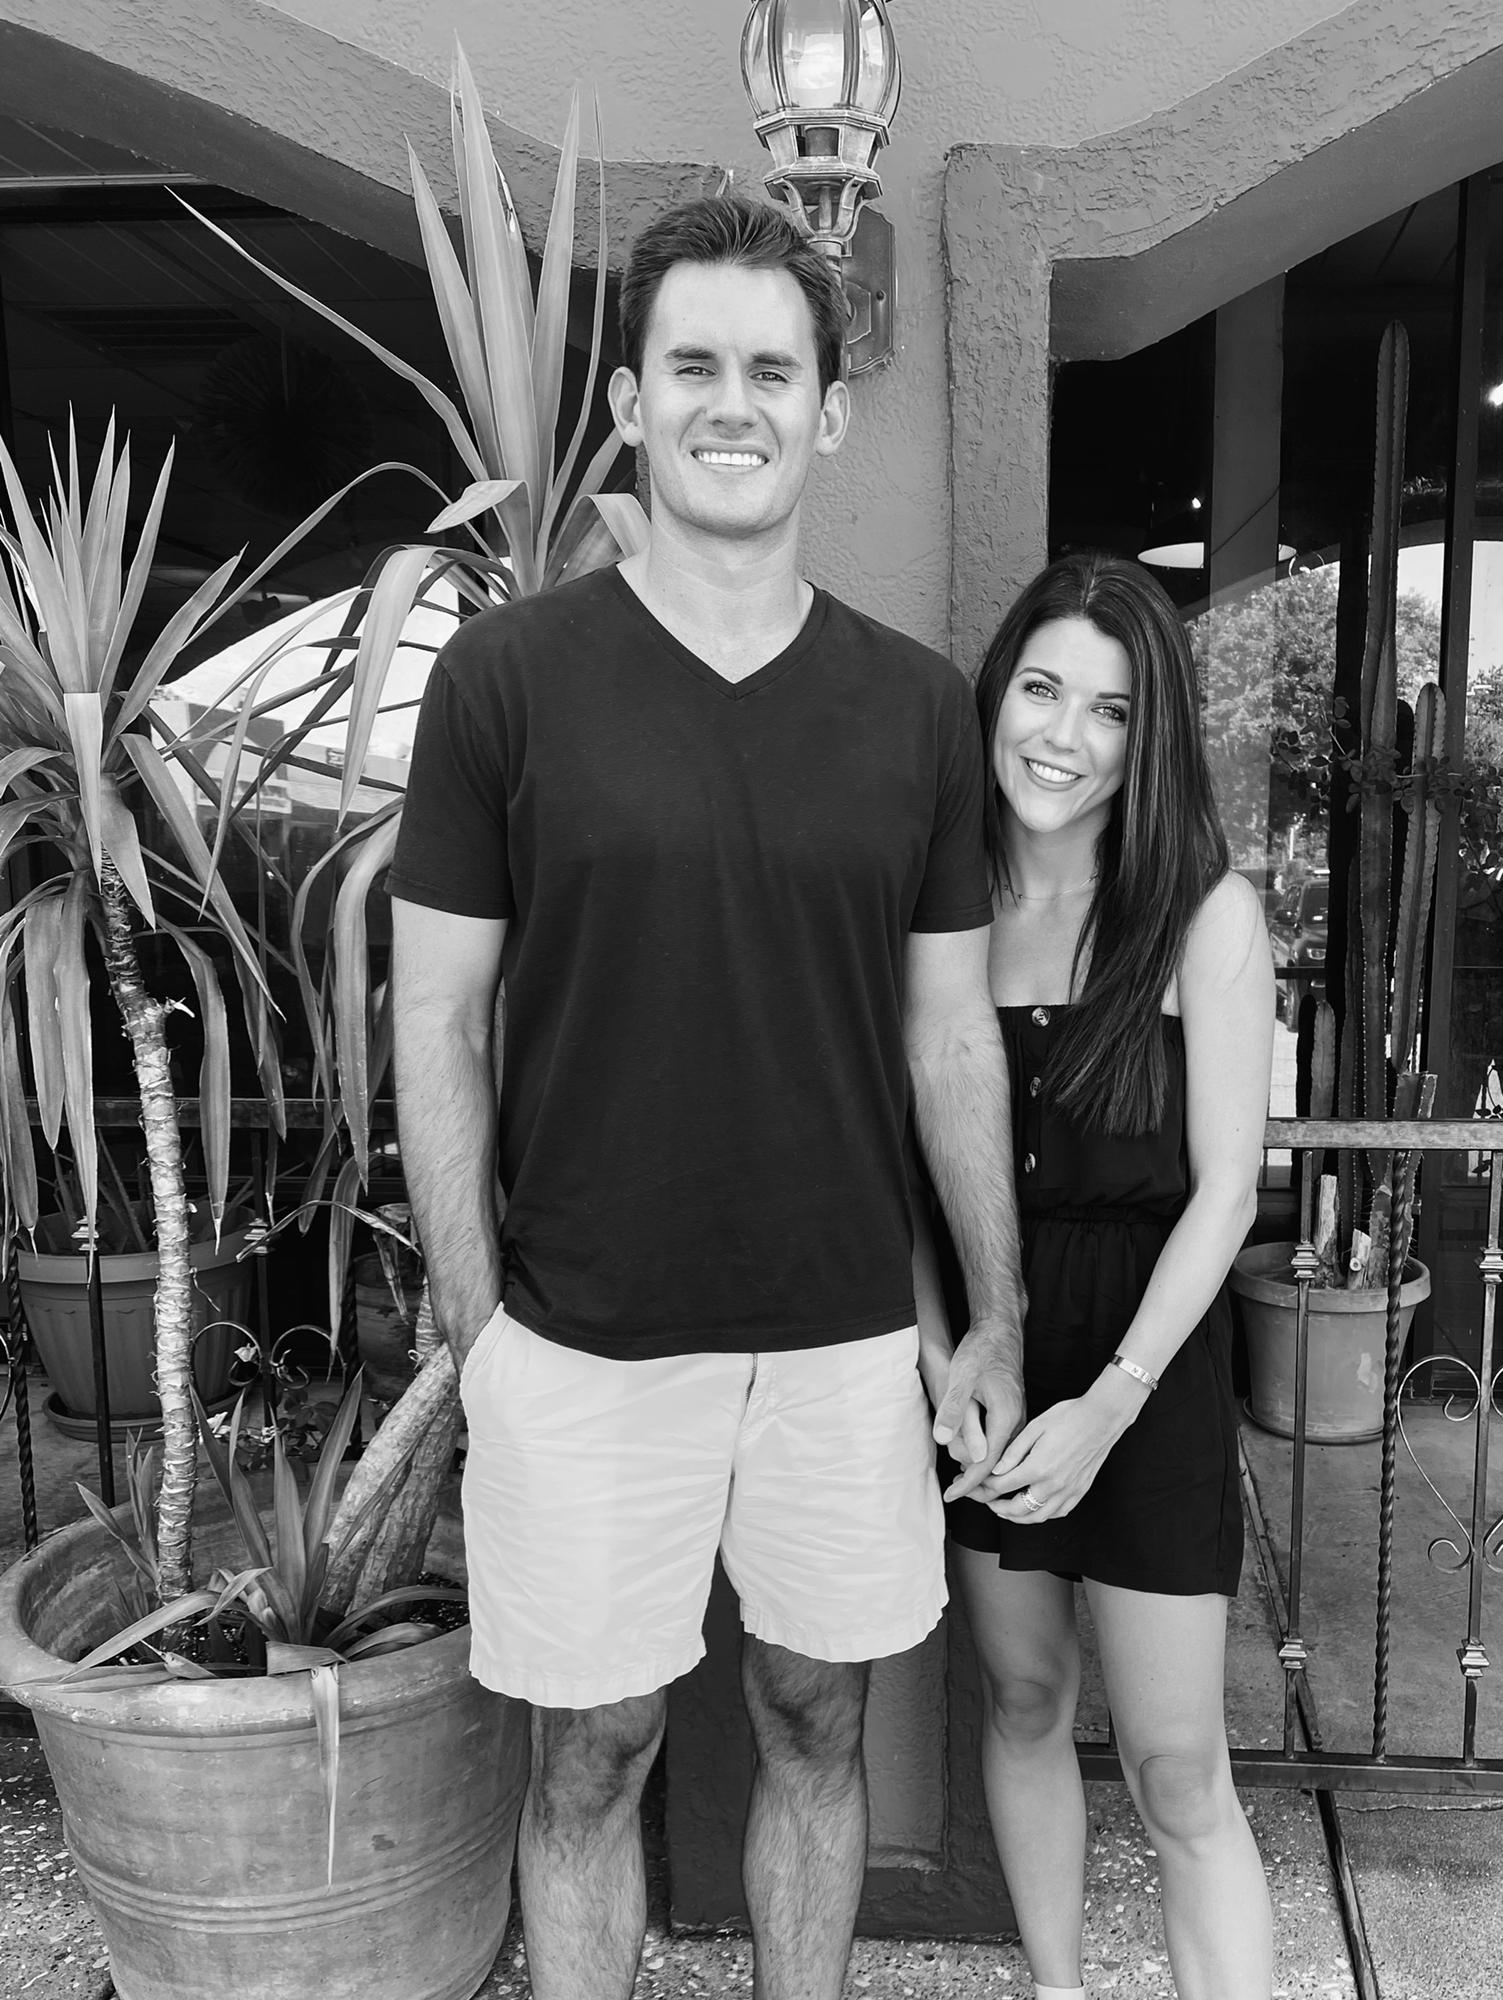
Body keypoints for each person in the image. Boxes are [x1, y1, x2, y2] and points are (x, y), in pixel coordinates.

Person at [385, 193, 1025, 2000]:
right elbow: (436, 1012)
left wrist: (992, 1313)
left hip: (839, 1337)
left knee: (817, 1719)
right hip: (580, 1337)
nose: (731, 404)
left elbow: (950, 1035)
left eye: (770, 370)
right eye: (692, 366)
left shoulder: (915, 711)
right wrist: (481, 1329)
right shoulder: (507, 682)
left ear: (829, 411)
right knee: (591, 1755)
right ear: (629, 403)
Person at [915, 552, 1275, 2000]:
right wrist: (943, 1360)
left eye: (1110, 710)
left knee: (1178, 1768)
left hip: (1147, 1368)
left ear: (1149, 737)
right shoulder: (938, 911)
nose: (1063, 736)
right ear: (997, 695)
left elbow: (1229, 1191)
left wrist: (1112, 1405)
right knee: (1023, 1696)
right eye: (1041, 689)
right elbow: (902, 1174)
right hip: (990, 1368)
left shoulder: (1203, 915)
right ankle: (1058, 1987)